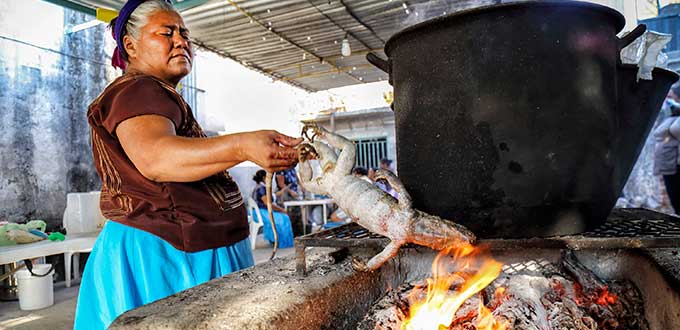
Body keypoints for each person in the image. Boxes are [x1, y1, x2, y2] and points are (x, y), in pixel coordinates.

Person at [73, 1, 301, 329]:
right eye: (166, 33)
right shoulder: (139, 89)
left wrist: (246, 149)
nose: (181, 41)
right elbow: (157, 158)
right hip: (165, 255)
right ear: (130, 45)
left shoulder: (158, 96)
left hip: (180, 248)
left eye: (184, 34)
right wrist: (242, 145)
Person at [251, 170, 294, 248]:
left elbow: (273, 195)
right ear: (265, 177)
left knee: (282, 217)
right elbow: (268, 204)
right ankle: (281, 242)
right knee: (284, 218)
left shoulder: (260, 187)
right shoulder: (261, 188)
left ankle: (276, 240)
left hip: (260, 212)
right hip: (262, 213)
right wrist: (281, 210)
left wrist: (285, 189)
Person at [654, 92, 680, 214]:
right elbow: (659, 133)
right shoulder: (671, 116)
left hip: (674, 163)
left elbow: (675, 130)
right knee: (675, 198)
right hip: (670, 164)